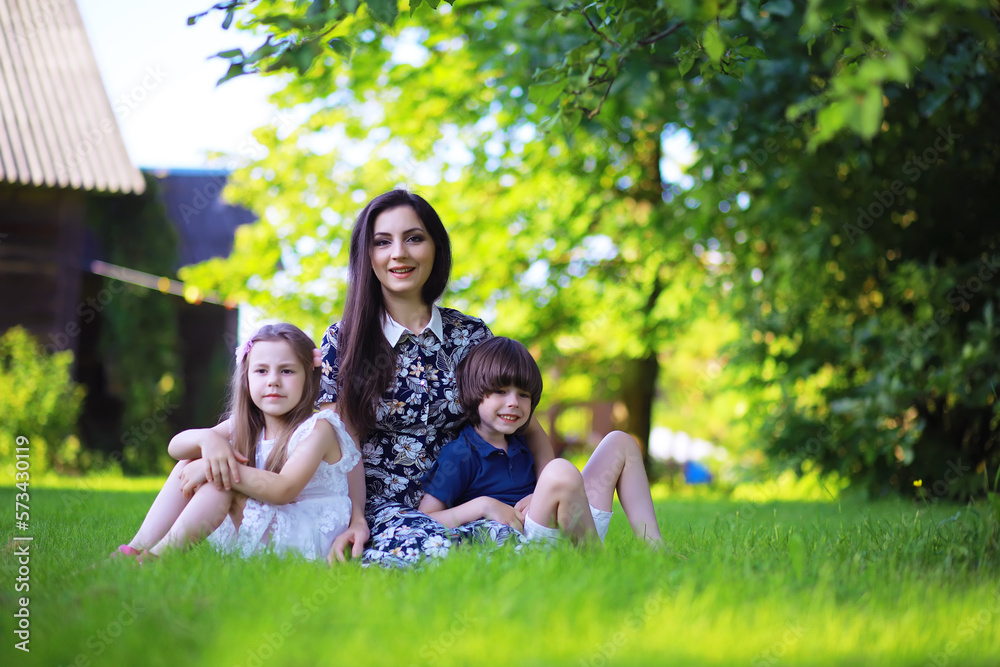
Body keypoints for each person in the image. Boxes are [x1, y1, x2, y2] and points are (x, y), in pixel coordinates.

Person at [318, 189, 558, 567]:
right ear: (367, 255)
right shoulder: (344, 341)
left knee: (509, 547)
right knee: (424, 554)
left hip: (475, 498)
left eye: (414, 238)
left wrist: (543, 492)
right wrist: (357, 519)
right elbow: (337, 443)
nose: (399, 253)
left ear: (435, 248)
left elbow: (524, 424)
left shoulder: (472, 335)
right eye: (383, 242)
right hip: (386, 509)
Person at [113, 323, 360, 562]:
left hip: (306, 535)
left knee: (219, 477)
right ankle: (135, 549)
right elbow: (175, 448)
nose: (273, 380)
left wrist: (219, 469)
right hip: (270, 522)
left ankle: (155, 560)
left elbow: (283, 490)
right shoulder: (243, 425)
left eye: (287, 371)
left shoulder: (320, 428)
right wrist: (207, 439)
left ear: (309, 376)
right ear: (247, 378)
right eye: (261, 371)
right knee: (196, 457)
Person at [419, 337, 663, 546]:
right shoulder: (460, 453)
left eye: (523, 395)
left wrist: (538, 495)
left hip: (573, 524)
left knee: (620, 442)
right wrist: (483, 506)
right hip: (527, 539)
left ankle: (655, 548)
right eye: (501, 391)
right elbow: (425, 518)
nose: (514, 402)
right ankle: (596, 560)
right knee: (560, 470)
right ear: (474, 393)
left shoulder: (521, 441)